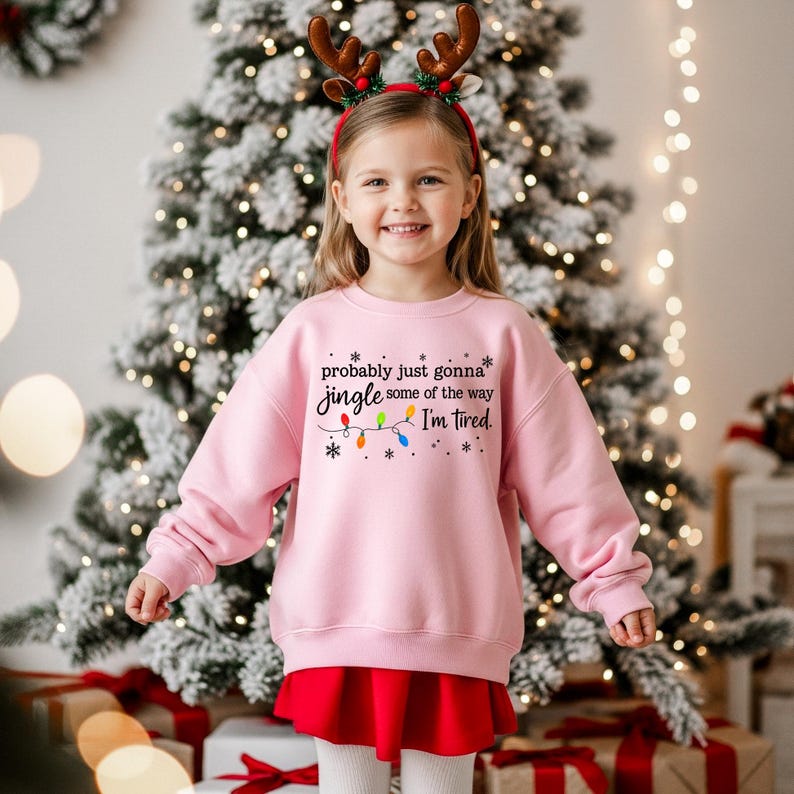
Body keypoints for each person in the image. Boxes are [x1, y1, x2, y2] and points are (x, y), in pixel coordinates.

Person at [126, 6, 656, 793]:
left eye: (429, 179)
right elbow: (238, 462)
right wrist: (178, 555)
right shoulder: (313, 332)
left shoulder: (502, 334)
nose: (403, 202)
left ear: (470, 193)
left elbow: (566, 474)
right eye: (377, 181)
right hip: (337, 624)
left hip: (455, 623)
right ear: (342, 197)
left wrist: (612, 579)